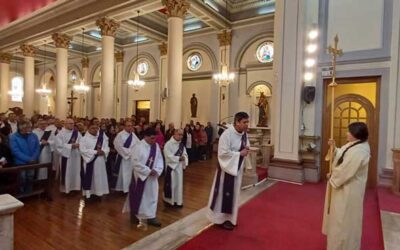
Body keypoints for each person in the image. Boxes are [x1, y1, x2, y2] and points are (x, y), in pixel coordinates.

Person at [322, 122, 370, 250]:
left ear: (356, 134)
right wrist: (334, 148)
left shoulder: (360, 151)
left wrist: (332, 176)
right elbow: (342, 155)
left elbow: (346, 170)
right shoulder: (353, 145)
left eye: (349, 132)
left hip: (349, 190)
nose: (346, 133)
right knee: (338, 219)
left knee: (343, 222)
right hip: (342, 188)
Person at [207, 112, 250, 230]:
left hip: (237, 169)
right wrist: (239, 154)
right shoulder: (227, 134)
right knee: (222, 194)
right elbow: (222, 153)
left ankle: (230, 219)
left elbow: (246, 145)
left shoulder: (244, 134)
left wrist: (246, 149)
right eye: (244, 122)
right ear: (237, 122)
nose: (247, 125)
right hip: (226, 170)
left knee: (234, 194)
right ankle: (219, 219)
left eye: (247, 122)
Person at [123, 128, 164, 227]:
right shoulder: (138, 147)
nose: (153, 141)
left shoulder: (156, 146)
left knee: (152, 195)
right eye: (152, 138)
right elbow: (135, 162)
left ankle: (151, 216)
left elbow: (159, 159)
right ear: (145, 136)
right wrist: (148, 171)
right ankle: (137, 215)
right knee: (141, 196)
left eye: (155, 138)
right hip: (141, 177)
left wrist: (157, 170)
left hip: (153, 177)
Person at [80, 122, 110, 199]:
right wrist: (96, 152)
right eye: (93, 128)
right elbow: (83, 150)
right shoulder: (84, 139)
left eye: (96, 128)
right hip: (90, 162)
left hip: (100, 162)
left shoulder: (101, 139)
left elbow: (107, 147)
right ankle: (89, 194)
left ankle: (99, 193)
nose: (95, 130)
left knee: (99, 177)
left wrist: (104, 151)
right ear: (88, 129)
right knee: (91, 177)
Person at [10, 119, 40, 193]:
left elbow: (37, 147)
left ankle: (29, 192)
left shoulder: (33, 135)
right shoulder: (14, 137)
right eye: (28, 127)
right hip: (21, 162)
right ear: (22, 128)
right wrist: (28, 159)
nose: (30, 129)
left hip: (32, 161)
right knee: (22, 177)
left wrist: (34, 158)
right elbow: (15, 151)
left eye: (30, 127)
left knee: (30, 176)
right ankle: (21, 193)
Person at [55, 118, 82, 193]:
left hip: (76, 156)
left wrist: (79, 145)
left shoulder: (77, 133)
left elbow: (82, 142)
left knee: (76, 172)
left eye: (73, 123)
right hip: (66, 157)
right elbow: (58, 146)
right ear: (65, 124)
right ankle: (66, 189)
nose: (72, 125)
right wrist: (71, 146)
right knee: (67, 172)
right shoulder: (60, 134)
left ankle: (75, 187)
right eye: (70, 123)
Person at [163, 129, 188, 208]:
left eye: (182, 135)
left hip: (179, 168)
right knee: (172, 185)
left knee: (179, 185)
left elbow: (185, 154)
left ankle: (178, 201)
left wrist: (184, 158)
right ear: (174, 134)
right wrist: (178, 159)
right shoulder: (168, 144)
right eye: (179, 134)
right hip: (171, 168)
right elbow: (168, 156)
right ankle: (169, 201)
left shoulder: (181, 145)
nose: (181, 136)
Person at [114, 120, 139, 193]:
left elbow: (139, 144)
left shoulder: (133, 135)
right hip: (123, 158)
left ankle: (129, 189)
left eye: (131, 126)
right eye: (128, 126)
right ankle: (122, 189)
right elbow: (118, 146)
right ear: (124, 127)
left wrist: (135, 152)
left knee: (130, 174)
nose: (130, 127)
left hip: (132, 158)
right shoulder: (120, 135)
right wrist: (130, 152)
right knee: (123, 174)